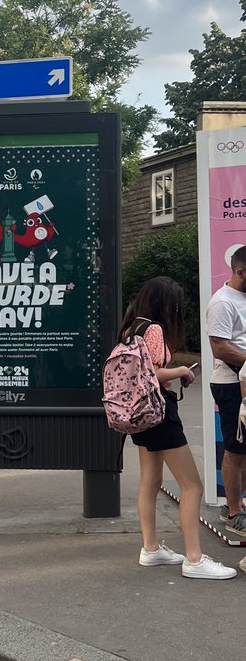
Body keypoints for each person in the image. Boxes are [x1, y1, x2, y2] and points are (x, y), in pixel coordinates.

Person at [122, 276, 235, 579]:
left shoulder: (131, 327)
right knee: (192, 485)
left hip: (139, 413)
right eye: (174, 303)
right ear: (164, 302)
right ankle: (195, 559)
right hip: (160, 411)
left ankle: (151, 548)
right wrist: (183, 370)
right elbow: (155, 373)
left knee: (150, 479)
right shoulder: (155, 329)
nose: (177, 308)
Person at [206, 245, 246, 537]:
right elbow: (219, 347)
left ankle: (238, 506)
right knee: (236, 448)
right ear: (240, 271)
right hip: (231, 384)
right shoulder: (222, 302)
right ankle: (233, 511)